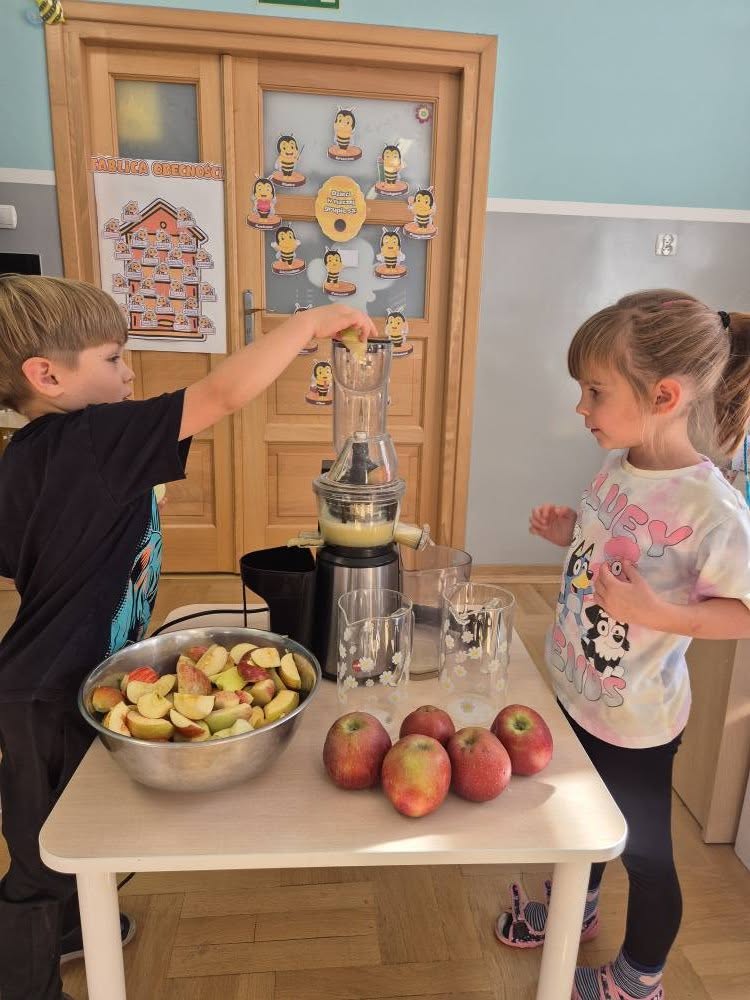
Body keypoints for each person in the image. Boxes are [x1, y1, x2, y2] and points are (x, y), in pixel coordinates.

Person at [0, 274, 375, 1000]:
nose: (128, 374)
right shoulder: (93, 436)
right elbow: (223, 395)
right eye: (113, 359)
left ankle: (75, 927)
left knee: (74, 825)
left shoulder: (25, 456)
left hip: (55, 676)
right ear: (46, 376)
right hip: (45, 692)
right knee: (39, 859)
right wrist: (308, 325)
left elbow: (22, 557)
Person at [496, 290, 750, 1000]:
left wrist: (658, 612)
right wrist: (570, 534)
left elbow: (743, 611)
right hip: (575, 688)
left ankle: (640, 979)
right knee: (578, 818)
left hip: (635, 722)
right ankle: (576, 909)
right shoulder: (620, 462)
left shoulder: (713, 508)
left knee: (644, 854)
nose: (581, 407)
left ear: (663, 395)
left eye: (596, 391)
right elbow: (618, 549)